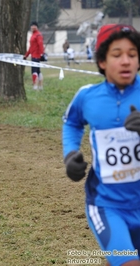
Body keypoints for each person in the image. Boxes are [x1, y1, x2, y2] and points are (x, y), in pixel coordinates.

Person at [62, 24, 140, 266]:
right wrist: (70, 154)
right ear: (102, 61)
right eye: (117, 55)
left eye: (133, 54)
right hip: (106, 204)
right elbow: (72, 123)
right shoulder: (87, 96)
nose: (126, 61)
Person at [24, 21, 44, 90]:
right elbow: (31, 47)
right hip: (33, 55)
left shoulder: (38, 35)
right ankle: (40, 86)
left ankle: (36, 86)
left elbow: (40, 45)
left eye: (34, 26)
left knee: (35, 71)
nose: (32, 27)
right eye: (32, 26)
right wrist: (26, 55)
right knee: (38, 71)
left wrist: (41, 54)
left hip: (36, 56)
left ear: (36, 27)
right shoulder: (33, 35)